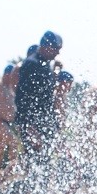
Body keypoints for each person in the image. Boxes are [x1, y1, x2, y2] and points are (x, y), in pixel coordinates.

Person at [14, 31, 62, 166]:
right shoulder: (32, 63)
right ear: (47, 46)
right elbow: (22, 96)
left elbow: (46, 92)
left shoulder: (44, 64)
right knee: (35, 160)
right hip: (32, 122)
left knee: (44, 161)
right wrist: (26, 125)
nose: (58, 53)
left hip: (44, 119)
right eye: (56, 49)